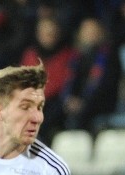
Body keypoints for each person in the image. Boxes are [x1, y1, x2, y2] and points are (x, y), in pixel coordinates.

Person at [19, 15, 77, 144]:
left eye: (51, 33)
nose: (48, 37)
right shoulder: (30, 54)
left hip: (57, 102)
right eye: (45, 33)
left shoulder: (68, 55)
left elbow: (65, 81)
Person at [59, 17, 121, 133]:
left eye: (93, 31)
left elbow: (106, 85)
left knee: (80, 117)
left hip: (101, 102)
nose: (90, 34)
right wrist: (69, 100)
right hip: (78, 102)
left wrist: (83, 102)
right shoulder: (76, 57)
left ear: (101, 33)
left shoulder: (109, 56)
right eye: (86, 31)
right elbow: (69, 82)